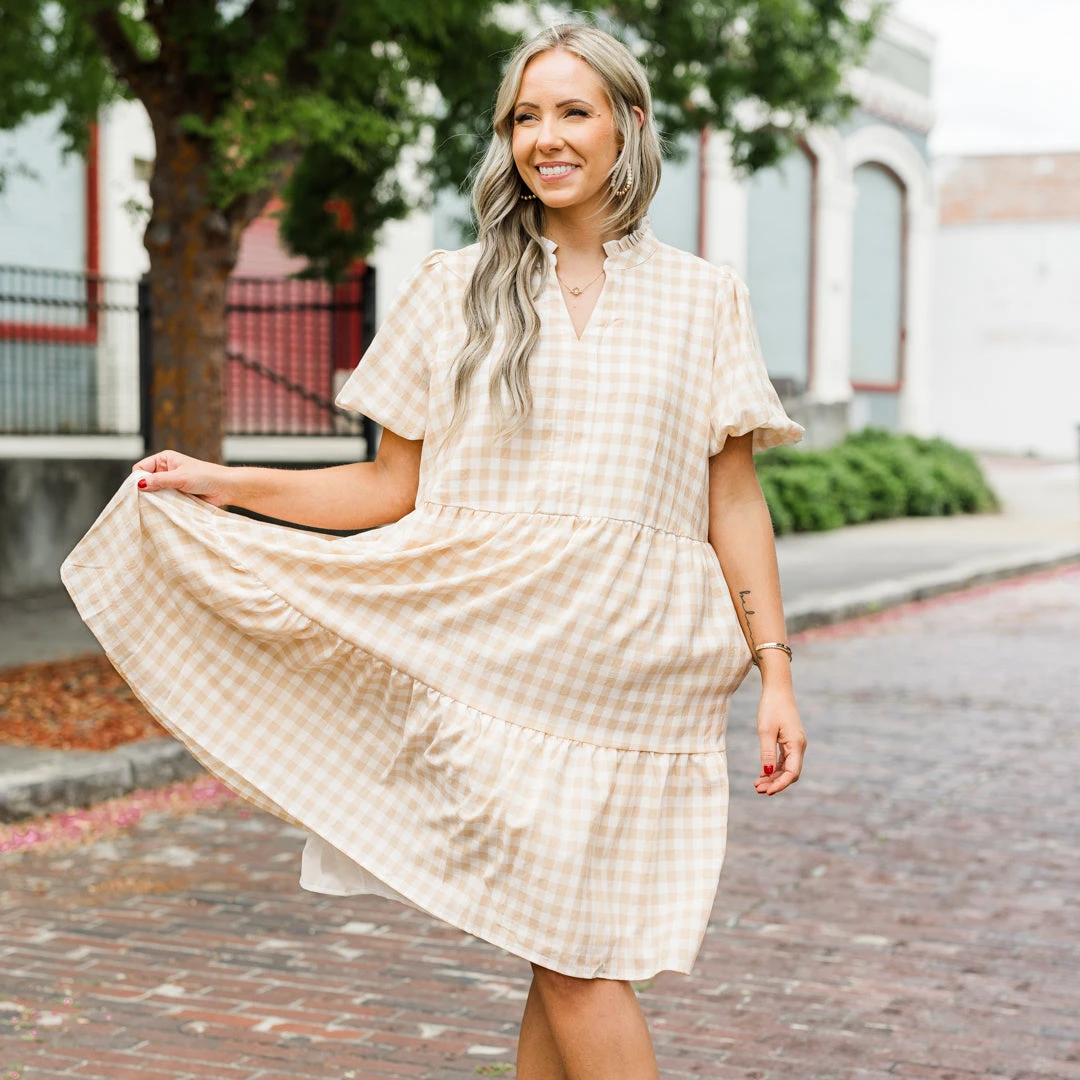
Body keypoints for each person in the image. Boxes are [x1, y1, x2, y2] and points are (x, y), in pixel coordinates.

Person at [62, 22, 807, 1080]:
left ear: (630, 125)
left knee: (573, 948)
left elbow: (731, 500)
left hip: (637, 672)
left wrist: (776, 671)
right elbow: (387, 488)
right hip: (495, 649)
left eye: (574, 111)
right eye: (524, 117)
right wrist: (229, 485)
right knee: (575, 953)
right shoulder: (453, 286)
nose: (545, 138)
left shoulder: (705, 297)